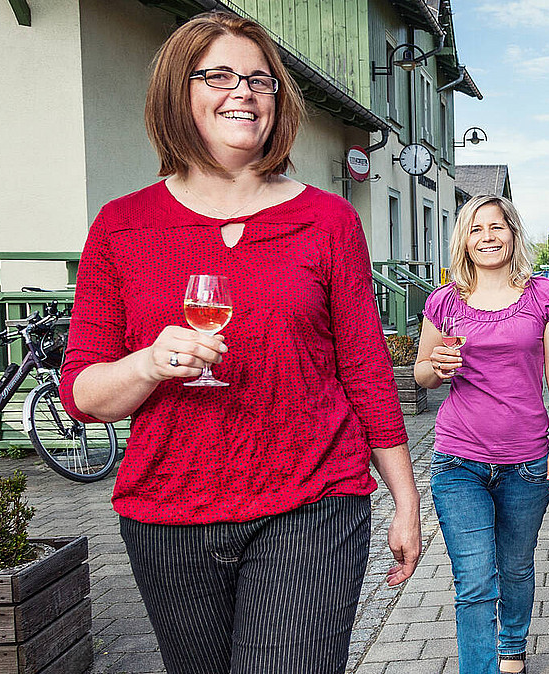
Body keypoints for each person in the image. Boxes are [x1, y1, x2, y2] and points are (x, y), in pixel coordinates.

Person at [58, 12, 421, 673]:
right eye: (219, 75)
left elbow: (366, 371)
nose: (243, 91)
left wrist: (405, 500)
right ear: (180, 92)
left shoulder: (328, 221)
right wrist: (146, 364)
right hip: (169, 508)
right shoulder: (122, 227)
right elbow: (82, 395)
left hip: (312, 500)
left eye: (259, 79)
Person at [416, 194, 549, 674]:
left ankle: (511, 650)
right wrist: (435, 368)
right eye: (476, 228)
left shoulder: (544, 296)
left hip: (526, 460)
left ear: (513, 233)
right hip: (458, 460)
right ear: (464, 239)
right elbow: (421, 371)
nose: (487, 236)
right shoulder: (444, 302)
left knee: (517, 569)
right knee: (475, 582)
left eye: (496, 226)